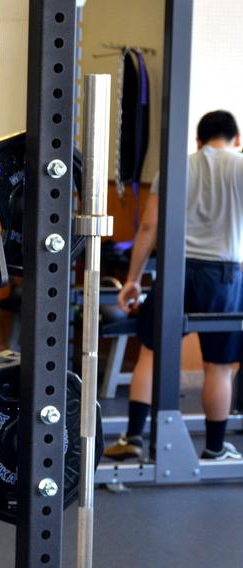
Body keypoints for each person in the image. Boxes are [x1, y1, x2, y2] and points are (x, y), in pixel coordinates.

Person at [105, 110, 243, 462]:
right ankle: (214, 448)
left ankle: (133, 435)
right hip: (224, 275)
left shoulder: (174, 167)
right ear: (237, 138)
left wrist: (133, 280)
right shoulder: (240, 166)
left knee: (151, 353)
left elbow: (149, 228)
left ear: (197, 141)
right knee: (219, 366)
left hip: (177, 270)